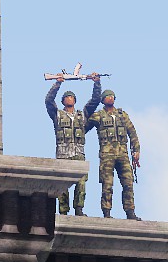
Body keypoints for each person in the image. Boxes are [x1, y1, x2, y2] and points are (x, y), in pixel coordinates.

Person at [43, 68, 100, 214]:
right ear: (63, 101)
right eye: (66, 97)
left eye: (71, 97)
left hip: (79, 153)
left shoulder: (83, 115)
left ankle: (79, 209)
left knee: (81, 183)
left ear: (75, 100)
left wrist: (96, 83)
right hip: (63, 153)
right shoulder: (57, 114)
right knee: (61, 184)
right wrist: (58, 83)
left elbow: (95, 101)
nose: (69, 99)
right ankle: (63, 211)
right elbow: (48, 101)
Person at [88, 87, 140, 219]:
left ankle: (130, 211)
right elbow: (84, 128)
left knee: (128, 182)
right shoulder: (98, 115)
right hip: (107, 155)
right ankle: (107, 212)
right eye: (107, 96)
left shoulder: (122, 115)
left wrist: (136, 150)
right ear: (103, 100)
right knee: (107, 184)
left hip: (123, 153)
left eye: (112, 96)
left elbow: (132, 133)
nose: (110, 98)